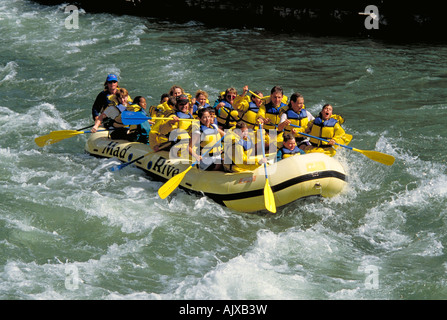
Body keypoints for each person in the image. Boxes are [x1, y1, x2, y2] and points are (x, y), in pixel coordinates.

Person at [159, 94, 195, 158]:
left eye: (185, 104)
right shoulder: (172, 115)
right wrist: (171, 122)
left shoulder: (188, 114)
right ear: (177, 105)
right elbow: (163, 130)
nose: (184, 106)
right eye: (181, 104)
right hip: (173, 145)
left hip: (186, 145)